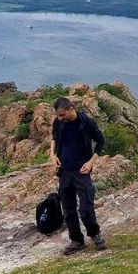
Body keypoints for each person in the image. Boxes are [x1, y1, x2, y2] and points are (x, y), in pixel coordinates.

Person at [49, 96, 107, 255]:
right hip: (64, 171)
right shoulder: (58, 122)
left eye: (62, 115)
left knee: (86, 208)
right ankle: (76, 240)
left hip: (81, 171)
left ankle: (95, 234)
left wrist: (91, 162)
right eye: (58, 115)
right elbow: (53, 137)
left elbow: (100, 141)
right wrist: (52, 155)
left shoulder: (86, 122)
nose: (60, 118)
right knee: (68, 209)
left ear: (71, 109)